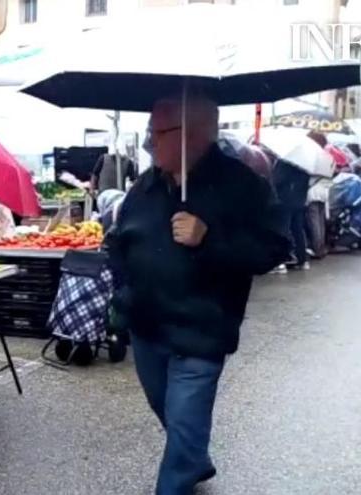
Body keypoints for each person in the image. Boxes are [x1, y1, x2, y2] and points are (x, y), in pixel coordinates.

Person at [107, 93, 289, 495]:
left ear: (196, 134)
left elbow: (275, 249)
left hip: (200, 331)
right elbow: (120, 242)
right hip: (147, 325)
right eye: (150, 132)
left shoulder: (243, 186)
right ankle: (193, 457)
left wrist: (209, 239)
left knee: (185, 420)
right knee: (169, 412)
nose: (151, 142)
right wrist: (123, 289)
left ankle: (178, 477)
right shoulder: (147, 185)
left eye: (160, 132)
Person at [272, 158, 312, 270]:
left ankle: (280, 263)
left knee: (283, 231)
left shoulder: (284, 162)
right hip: (299, 202)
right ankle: (302, 261)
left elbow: (277, 180)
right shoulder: (305, 164)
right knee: (298, 231)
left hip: (285, 201)